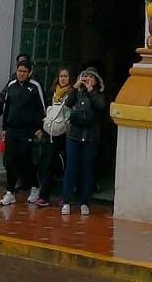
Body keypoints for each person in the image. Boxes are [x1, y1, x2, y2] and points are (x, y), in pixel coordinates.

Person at [0, 56, 46, 207]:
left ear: (29, 72)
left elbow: (42, 108)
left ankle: (35, 186)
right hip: (12, 130)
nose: (21, 74)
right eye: (19, 71)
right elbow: (6, 107)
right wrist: (4, 128)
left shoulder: (34, 87)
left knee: (25, 159)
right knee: (10, 161)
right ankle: (10, 191)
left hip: (27, 130)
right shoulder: (11, 85)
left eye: (24, 71)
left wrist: (39, 127)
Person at [60, 68, 106, 217]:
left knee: (87, 170)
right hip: (74, 136)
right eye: (86, 77)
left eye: (91, 77)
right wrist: (75, 86)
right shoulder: (76, 93)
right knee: (71, 169)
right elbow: (67, 104)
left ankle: (85, 202)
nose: (88, 80)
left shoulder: (97, 95)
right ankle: (66, 201)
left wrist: (91, 90)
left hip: (90, 138)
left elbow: (100, 106)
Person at [37, 67, 71, 208]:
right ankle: (44, 195)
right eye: (61, 76)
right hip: (51, 133)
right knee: (48, 163)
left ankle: (66, 196)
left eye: (66, 76)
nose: (63, 79)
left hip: (66, 133)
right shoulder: (53, 93)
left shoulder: (72, 94)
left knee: (67, 165)